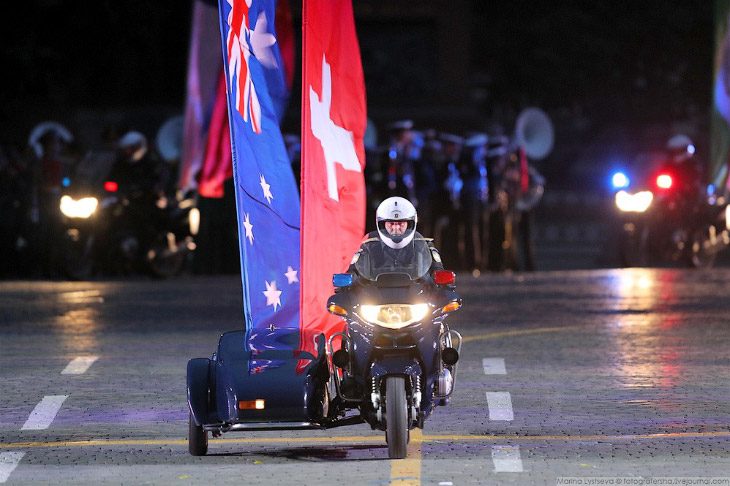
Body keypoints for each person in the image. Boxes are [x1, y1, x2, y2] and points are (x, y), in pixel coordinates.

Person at [348, 196, 444, 279]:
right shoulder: (368, 242)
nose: (395, 227)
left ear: (409, 223)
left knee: (450, 298)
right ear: (382, 223)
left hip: (416, 295)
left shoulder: (422, 243)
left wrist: (440, 278)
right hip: (374, 296)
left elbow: (437, 271)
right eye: (391, 223)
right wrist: (349, 278)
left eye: (400, 223)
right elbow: (353, 272)